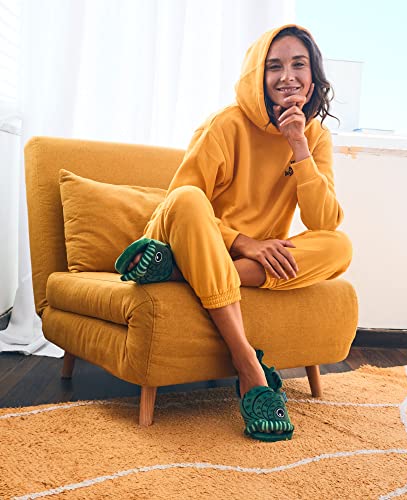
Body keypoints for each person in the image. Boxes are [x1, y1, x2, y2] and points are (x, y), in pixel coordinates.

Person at [115, 24, 353, 442]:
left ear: (313, 75)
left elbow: (323, 221)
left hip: (236, 261)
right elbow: (180, 204)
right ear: (257, 75)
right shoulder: (224, 125)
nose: (287, 76)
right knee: (190, 198)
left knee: (339, 245)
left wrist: (299, 147)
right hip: (193, 240)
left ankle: (178, 274)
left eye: (298, 65)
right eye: (274, 66)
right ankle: (248, 365)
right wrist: (245, 243)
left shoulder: (315, 137)